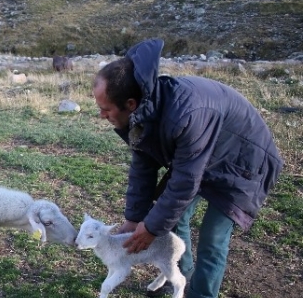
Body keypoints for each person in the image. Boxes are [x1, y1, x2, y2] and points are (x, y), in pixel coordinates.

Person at [92, 39, 283, 298]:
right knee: (174, 219)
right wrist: (135, 217)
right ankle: (184, 276)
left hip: (243, 162)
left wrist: (151, 229)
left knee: (213, 238)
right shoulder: (144, 112)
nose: (101, 115)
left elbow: (184, 181)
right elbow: (143, 164)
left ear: (130, 104)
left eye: (105, 109)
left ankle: (201, 295)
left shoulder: (185, 114)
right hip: (204, 154)